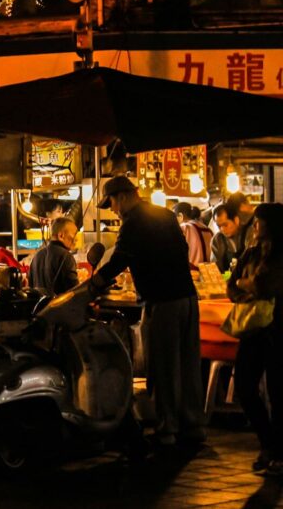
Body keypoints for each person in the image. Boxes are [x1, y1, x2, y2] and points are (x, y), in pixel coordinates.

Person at [91, 176, 205, 447]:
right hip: (188, 299)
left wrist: (93, 285)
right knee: (189, 365)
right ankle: (194, 426)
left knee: (164, 367)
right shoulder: (165, 215)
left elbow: (119, 260)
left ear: (124, 196)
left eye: (113, 204)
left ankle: (167, 429)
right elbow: (181, 250)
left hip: (163, 302)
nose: (114, 210)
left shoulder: (134, 223)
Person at [227, 202, 283, 474]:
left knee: (278, 391)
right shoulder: (250, 252)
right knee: (246, 386)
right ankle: (269, 443)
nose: (255, 227)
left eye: (260, 222)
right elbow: (233, 284)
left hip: (278, 330)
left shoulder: (280, 253)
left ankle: (277, 453)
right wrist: (246, 288)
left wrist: (251, 285)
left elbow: (268, 284)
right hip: (252, 329)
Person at [29, 217, 80, 297]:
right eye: (74, 234)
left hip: (40, 308)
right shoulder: (66, 256)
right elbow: (75, 292)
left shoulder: (36, 256)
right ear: (61, 236)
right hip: (59, 308)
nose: (76, 239)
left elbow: (31, 288)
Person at [212, 201, 247, 273]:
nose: (222, 229)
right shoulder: (218, 240)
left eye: (225, 225)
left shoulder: (248, 235)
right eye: (219, 226)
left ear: (236, 220)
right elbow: (216, 267)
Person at [174, 203, 212, 267]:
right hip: (209, 270)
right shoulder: (206, 228)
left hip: (193, 271)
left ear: (180, 215)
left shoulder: (184, 227)